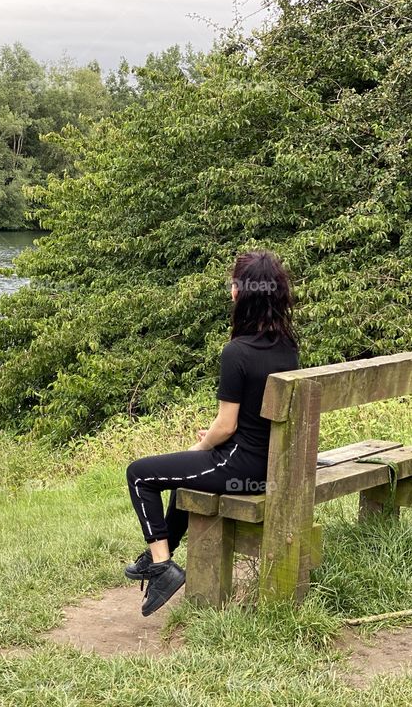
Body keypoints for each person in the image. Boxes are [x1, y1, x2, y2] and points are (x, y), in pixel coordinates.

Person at [124, 250, 300, 616]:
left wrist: (203, 444)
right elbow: (255, 420)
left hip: (245, 470)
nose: (230, 290)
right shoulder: (287, 346)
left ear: (242, 294)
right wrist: (215, 444)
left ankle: (161, 566)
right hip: (272, 464)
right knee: (185, 475)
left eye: (233, 284)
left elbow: (227, 425)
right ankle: (159, 554)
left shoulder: (235, 352)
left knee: (140, 474)